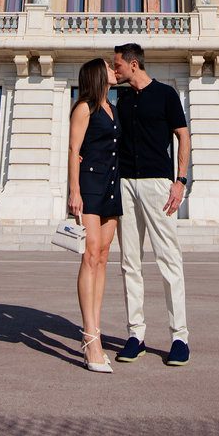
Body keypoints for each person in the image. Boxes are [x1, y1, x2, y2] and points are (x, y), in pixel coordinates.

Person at [110, 42, 191, 366]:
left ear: (133, 64)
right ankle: (136, 335)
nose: (114, 69)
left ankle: (180, 337)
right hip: (126, 184)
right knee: (130, 262)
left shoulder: (166, 94)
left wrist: (180, 181)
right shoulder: (122, 97)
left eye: (117, 65)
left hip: (159, 184)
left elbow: (183, 136)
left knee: (169, 259)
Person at [67, 57, 121, 372]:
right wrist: (74, 191)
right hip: (89, 185)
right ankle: (90, 337)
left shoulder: (113, 108)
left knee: (102, 256)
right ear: (96, 75)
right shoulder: (84, 108)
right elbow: (74, 150)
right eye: (108, 67)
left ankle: (96, 329)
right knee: (89, 256)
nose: (114, 70)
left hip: (111, 185)